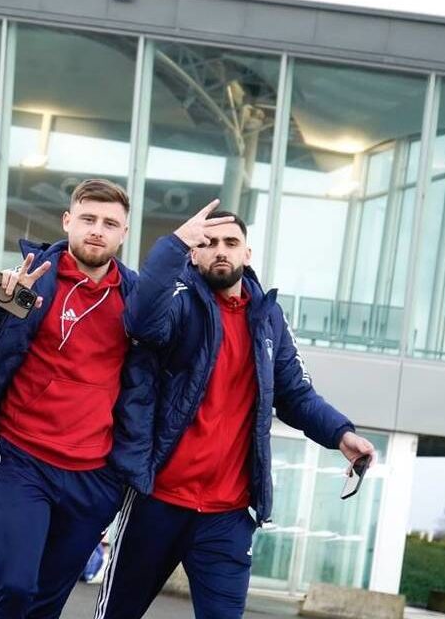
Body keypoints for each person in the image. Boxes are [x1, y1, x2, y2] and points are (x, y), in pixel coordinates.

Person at [94, 202, 377, 619]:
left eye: (231, 242)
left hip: (226, 516)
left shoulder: (268, 319)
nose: (220, 250)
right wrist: (173, 244)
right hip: (158, 501)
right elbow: (140, 320)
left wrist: (341, 434)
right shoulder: (178, 305)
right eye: (208, 243)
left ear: (248, 253)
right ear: (194, 253)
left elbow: (296, 394)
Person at [0, 179, 153, 618]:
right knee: (14, 588)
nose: (97, 230)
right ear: (68, 221)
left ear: (124, 233)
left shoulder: (135, 301)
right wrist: (2, 294)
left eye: (110, 223)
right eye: (88, 219)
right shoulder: (36, 278)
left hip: (94, 478)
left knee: (46, 606)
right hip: (22, 460)